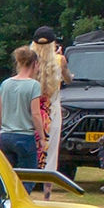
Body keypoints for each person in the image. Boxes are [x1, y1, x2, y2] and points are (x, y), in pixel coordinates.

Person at [0, 45, 44, 170]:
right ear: (35, 64)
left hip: (6, 137)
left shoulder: (5, 84)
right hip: (24, 137)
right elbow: (35, 114)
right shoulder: (33, 85)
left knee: (8, 174)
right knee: (28, 176)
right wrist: (42, 137)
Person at [31, 27, 69, 198]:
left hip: (32, 108)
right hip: (51, 111)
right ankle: (47, 194)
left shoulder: (29, 61)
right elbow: (68, 79)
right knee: (51, 152)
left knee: (31, 148)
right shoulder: (60, 60)